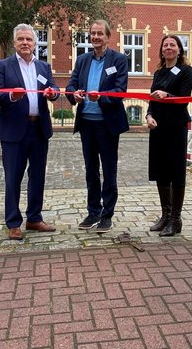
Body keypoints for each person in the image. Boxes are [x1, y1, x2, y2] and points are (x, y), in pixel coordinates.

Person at [0, 24, 60, 241]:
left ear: (35, 42)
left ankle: (34, 218)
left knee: (37, 176)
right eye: (21, 39)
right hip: (13, 131)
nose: (25, 43)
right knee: (13, 178)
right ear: (14, 43)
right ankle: (13, 223)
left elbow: (55, 89)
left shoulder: (43, 67)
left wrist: (53, 94)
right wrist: (11, 95)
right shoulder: (3, 66)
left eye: (29, 39)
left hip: (39, 128)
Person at [66, 19, 129, 233]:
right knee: (90, 170)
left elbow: (120, 90)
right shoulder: (82, 59)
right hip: (87, 123)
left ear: (108, 37)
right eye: (92, 33)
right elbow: (71, 84)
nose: (95, 37)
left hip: (107, 125)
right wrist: (74, 94)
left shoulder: (119, 60)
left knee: (109, 170)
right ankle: (93, 211)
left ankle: (107, 215)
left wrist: (99, 97)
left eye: (100, 33)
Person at [146, 34, 192, 237]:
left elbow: (184, 99)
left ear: (179, 49)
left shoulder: (186, 71)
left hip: (176, 127)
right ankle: (165, 215)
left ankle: (176, 219)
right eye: (165, 45)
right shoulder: (159, 73)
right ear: (161, 50)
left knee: (176, 172)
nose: (168, 48)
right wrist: (149, 115)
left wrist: (168, 96)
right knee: (161, 171)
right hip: (158, 127)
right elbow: (151, 99)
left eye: (172, 45)